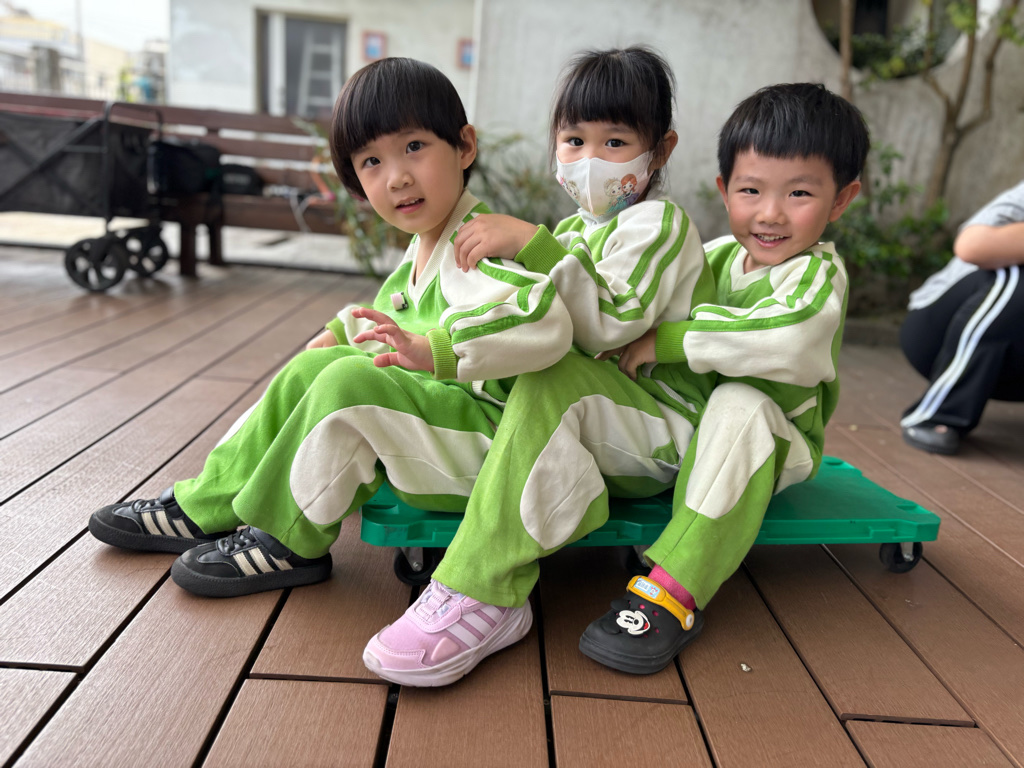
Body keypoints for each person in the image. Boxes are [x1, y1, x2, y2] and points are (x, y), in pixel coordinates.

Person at [86, 57, 573, 597]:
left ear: (464, 147)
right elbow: (399, 314)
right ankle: (209, 502)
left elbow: (543, 321)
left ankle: (287, 538)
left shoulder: (479, 246)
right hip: (448, 423)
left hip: (495, 445)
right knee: (313, 367)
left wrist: (437, 348)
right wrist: (343, 331)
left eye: (414, 147)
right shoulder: (427, 245)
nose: (397, 177)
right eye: (372, 161)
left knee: (348, 384)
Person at [362, 46, 718, 687]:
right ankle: (504, 511)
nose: (590, 160)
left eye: (615, 142)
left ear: (660, 151)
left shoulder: (659, 225)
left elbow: (610, 320)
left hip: (663, 425)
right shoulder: (576, 232)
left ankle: (485, 588)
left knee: (551, 376)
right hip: (602, 417)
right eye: (574, 141)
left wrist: (532, 242)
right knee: (518, 369)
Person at [575, 82, 868, 674]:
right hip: (693, 429)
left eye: (799, 193)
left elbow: (785, 336)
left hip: (772, 440)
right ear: (723, 189)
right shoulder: (711, 256)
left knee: (740, 402)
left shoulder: (817, 275)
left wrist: (670, 340)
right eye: (751, 190)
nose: (770, 213)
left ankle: (673, 590)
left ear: (841, 199)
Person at [899, 180, 1024, 455]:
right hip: (937, 332)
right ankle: (937, 414)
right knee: (1015, 275)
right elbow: (972, 245)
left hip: (1012, 369)